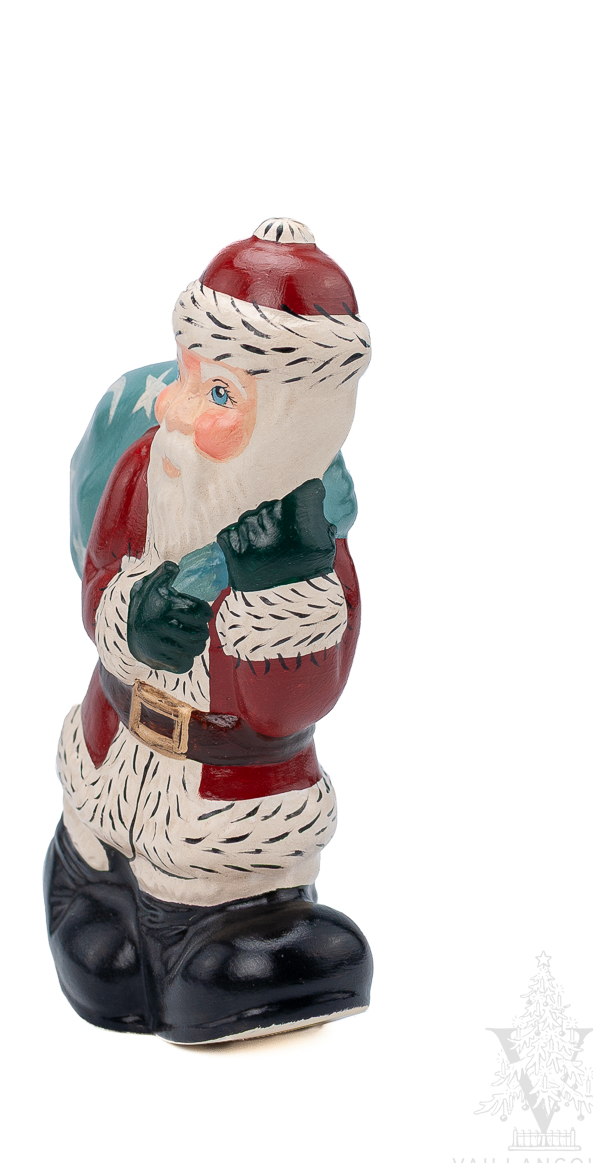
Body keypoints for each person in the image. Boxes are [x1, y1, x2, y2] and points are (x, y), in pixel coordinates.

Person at [46, 218, 374, 1044]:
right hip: (115, 748)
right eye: (189, 375)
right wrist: (130, 616)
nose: (177, 407)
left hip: (220, 798)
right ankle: (97, 899)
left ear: (293, 428)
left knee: (213, 928)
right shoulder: (150, 469)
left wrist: (274, 593)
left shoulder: (305, 556)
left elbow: (294, 702)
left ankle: (215, 938)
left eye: (220, 396)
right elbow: (99, 577)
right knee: (95, 925)